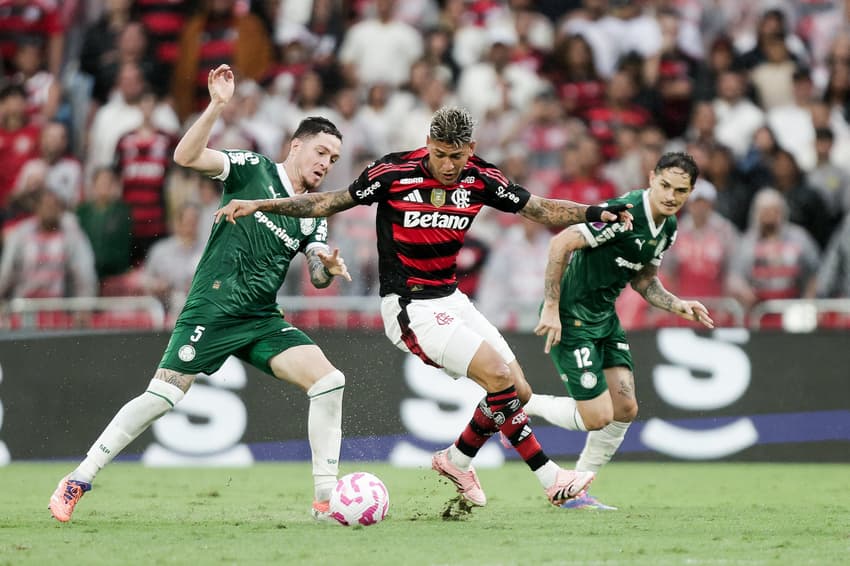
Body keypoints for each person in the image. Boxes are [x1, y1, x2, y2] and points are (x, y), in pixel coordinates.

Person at [215, 105, 633, 507]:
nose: (448, 166)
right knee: (500, 378)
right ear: (428, 143)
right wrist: (260, 204)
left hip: (451, 298)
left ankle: (455, 461)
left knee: (516, 391)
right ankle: (551, 478)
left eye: (456, 156)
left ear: (470, 150)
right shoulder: (393, 172)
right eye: (440, 155)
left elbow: (538, 208)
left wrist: (599, 212)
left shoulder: (482, 177)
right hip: (409, 307)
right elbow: (328, 201)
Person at [49, 65, 352, 523]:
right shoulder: (252, 169)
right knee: (162, 397)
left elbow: (316, 273)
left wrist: (326, 266)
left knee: (330, 382)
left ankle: (325, 503)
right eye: (321, 152)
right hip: (212, 307)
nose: (326, 164)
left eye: (333, 159)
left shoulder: (310, 213)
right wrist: (217, 106)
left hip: (260, 319)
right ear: (296, 145)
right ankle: (79, 478)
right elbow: (187, 156)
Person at [523, 152, 715, 510]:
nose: (671, 196)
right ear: (651, 177)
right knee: (597, 417)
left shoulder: (668, 228)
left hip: (604, 317)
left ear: (690, 192)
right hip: (571, 314)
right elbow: (560, 242)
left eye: (681, 191)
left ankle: (575, 492)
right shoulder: (624, 214)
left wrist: (678, 305)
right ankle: (525, 405)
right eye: (665, 185)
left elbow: (644, 280)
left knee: (625, 407)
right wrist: (551, 307)